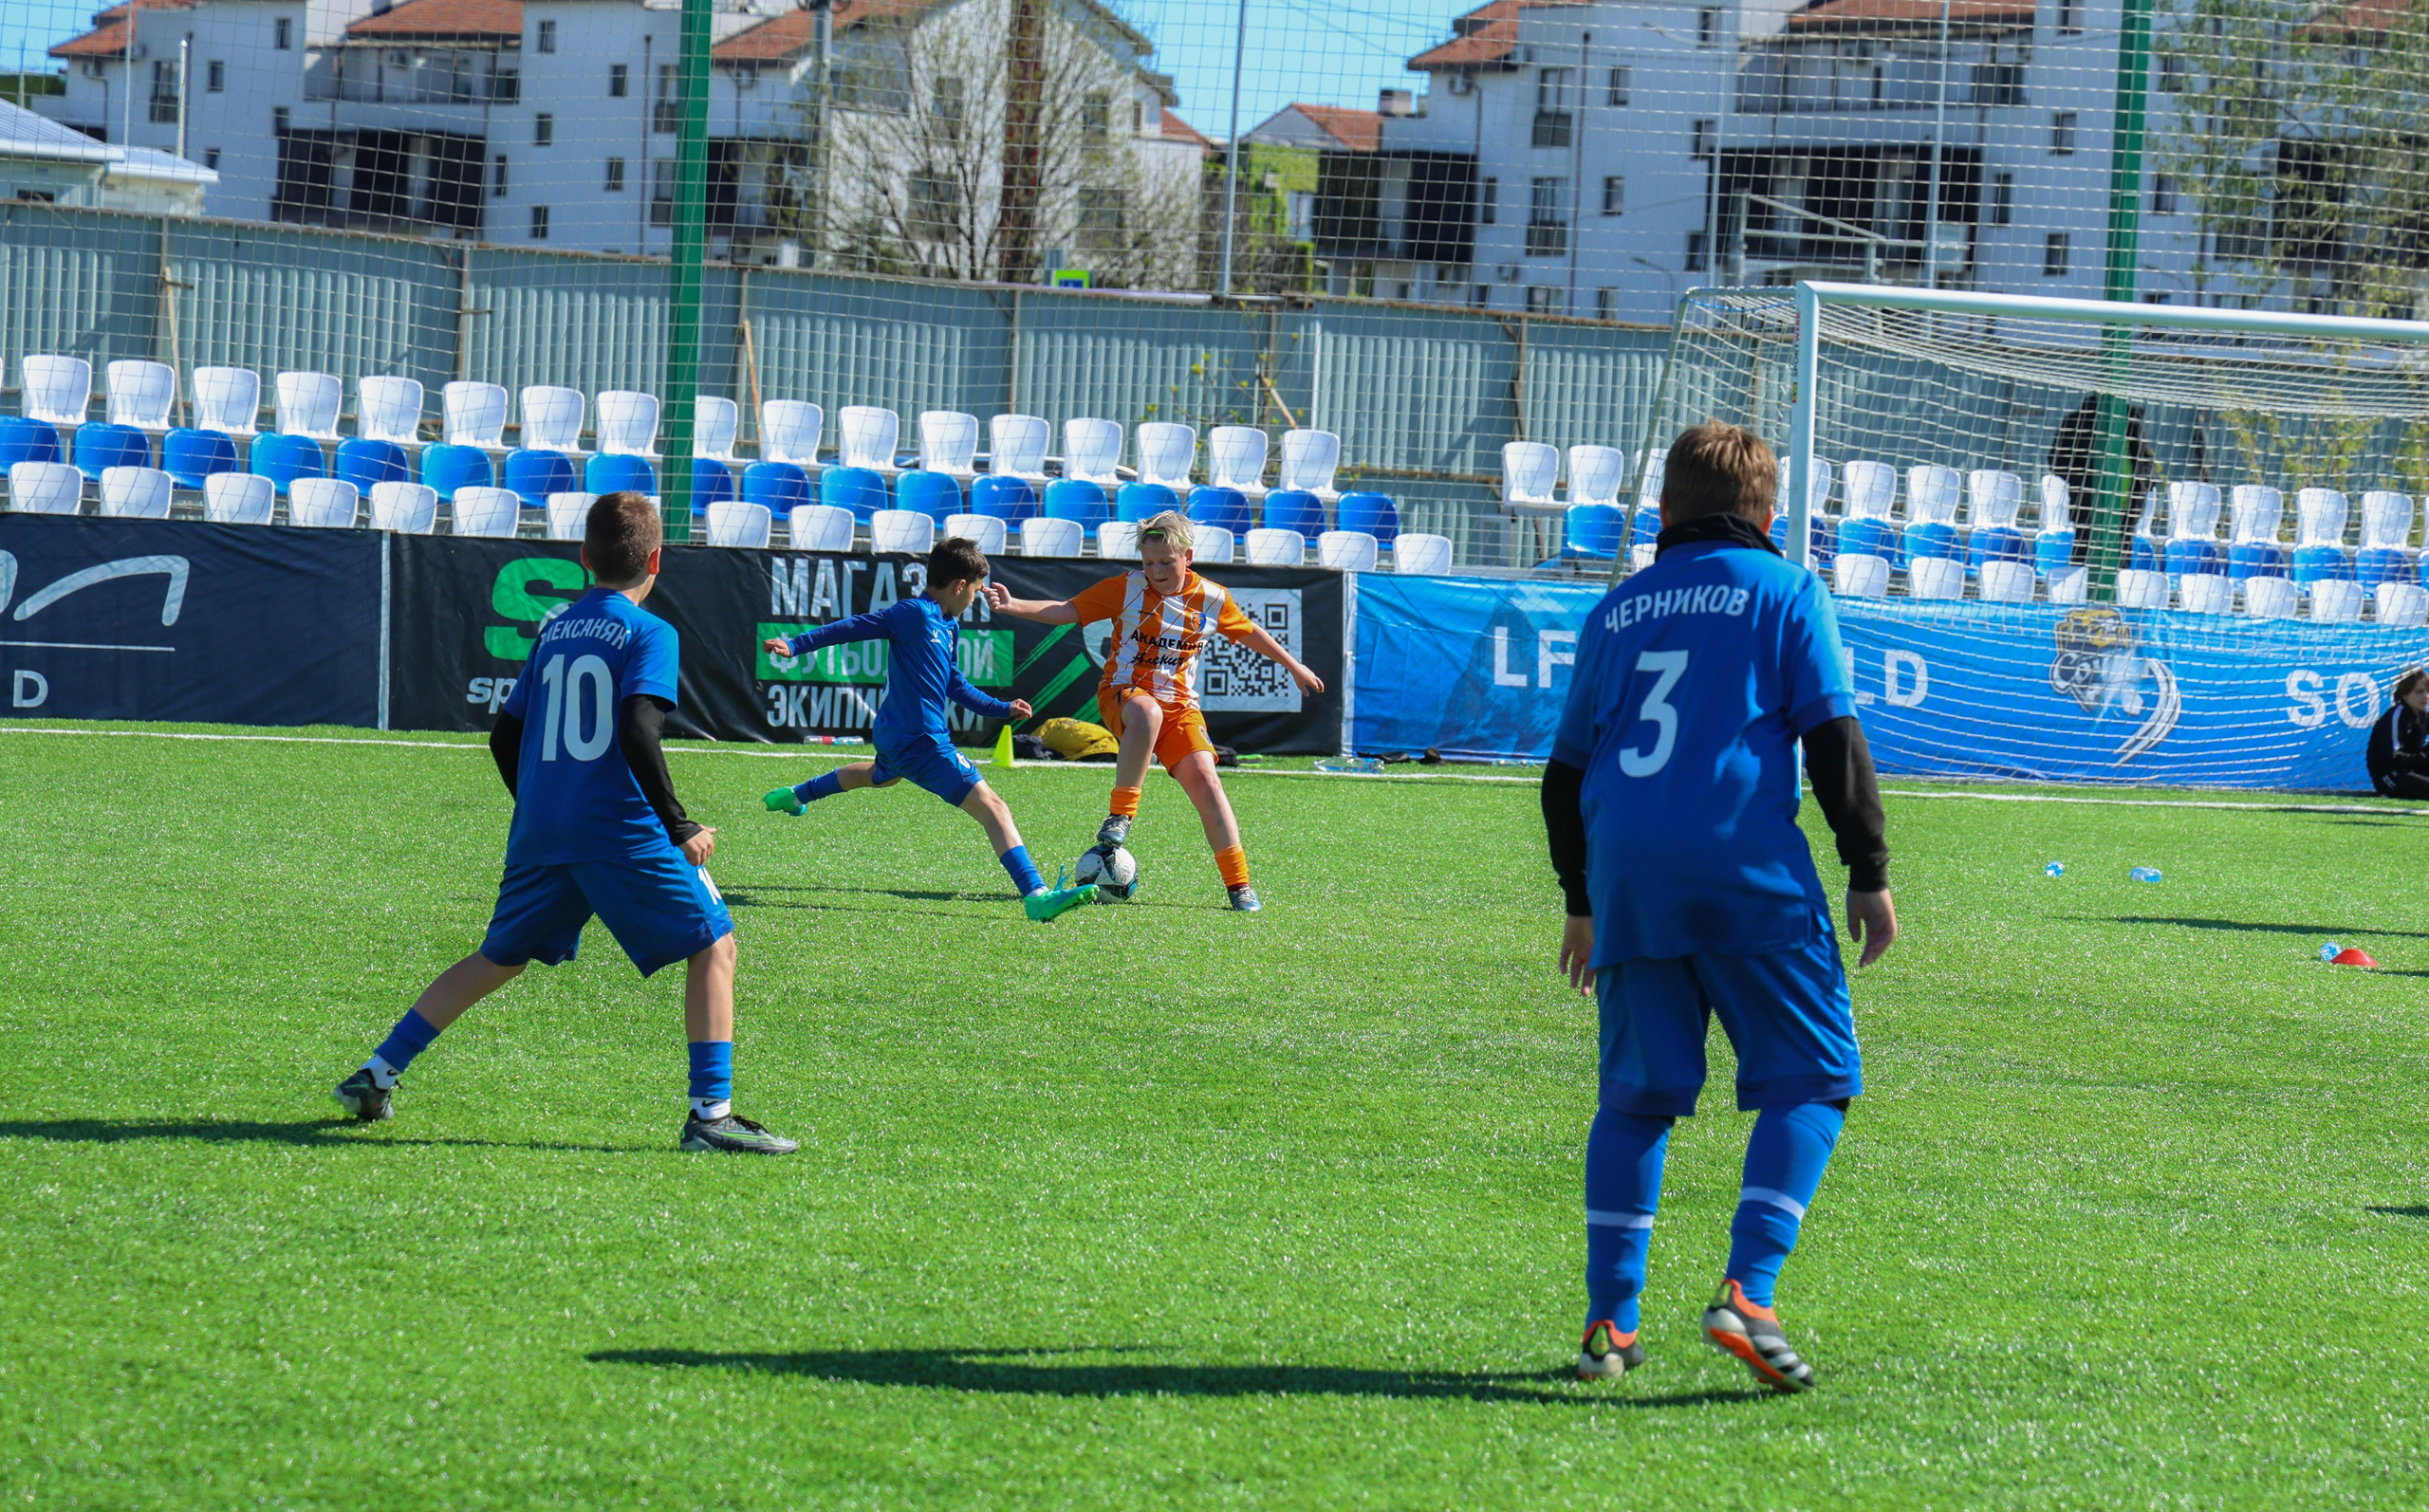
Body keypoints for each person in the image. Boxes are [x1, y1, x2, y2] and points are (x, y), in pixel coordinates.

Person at [1543, 420, 1897, 1392]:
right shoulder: (1787, 590)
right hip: (1744, 864)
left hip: (1626, 871)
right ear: (1769, 516)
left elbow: (1563, 774)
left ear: (1663, 511)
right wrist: (1867, 867)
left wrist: (1580, 898)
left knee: (1636, 1099)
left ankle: (1609, 1323)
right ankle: (1749, 1292)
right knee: (1814, 1078)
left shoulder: (1615, 610)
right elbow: (1832, 739)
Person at [334, 491, 796, 1154]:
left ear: (584, 557)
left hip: (542, 831)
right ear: (656, 560)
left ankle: (376, 1073)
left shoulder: (555, 631)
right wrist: (678, 823)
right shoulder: (650, 632)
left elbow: (504, 737)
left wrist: (544, 804)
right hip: (619, 829)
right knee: (715, 945)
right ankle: (710, 1116)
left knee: (498, 957)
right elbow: (637, 728)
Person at [985, 510, 1324, 913]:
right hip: (1123, 693)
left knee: (1207, 783)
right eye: (1148, 562)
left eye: (1166, 561)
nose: (1156, 571)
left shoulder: (1212, 598)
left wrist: (1294, 666)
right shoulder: (1125, 588)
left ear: (1188, 557)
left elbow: (1250, 631)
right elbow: (1065, 610)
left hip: (1180, 707)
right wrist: (1013, 605)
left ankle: (1240, 885)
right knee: (1147, 713)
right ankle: (1120, 816)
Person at [760, 536, 1095, 922]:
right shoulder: (915, 613)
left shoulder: (948, 626)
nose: (975, 598)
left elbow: (955, 684)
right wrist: (796, 645)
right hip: (921, 739)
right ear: (960, 585)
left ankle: (795, 795)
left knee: (878, 776)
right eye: (976, 590)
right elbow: (853, 627)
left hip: (898, 737)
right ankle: (1036, 894)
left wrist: (1002, 708)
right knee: (994, 808)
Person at [2046, 396, 2162, 568]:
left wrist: (2142, 486)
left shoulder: (2132, 423)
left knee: (2120, 568)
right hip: (2089, 509)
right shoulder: (2077, 421)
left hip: (2125, 512)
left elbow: (2148, 464)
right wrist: (2086, 482)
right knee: (2084, 565)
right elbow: (2057, 460)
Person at [2366, 668, 2429, 799]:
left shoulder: (2422, 715)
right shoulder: (2396, 716)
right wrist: (2425, 757)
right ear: (2404, 694)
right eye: (2419, 692)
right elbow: (2395, 759)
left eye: (2427, 691)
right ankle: (2388, 794)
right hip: (2389, 775)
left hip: (2411, 770)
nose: (2426, 696)